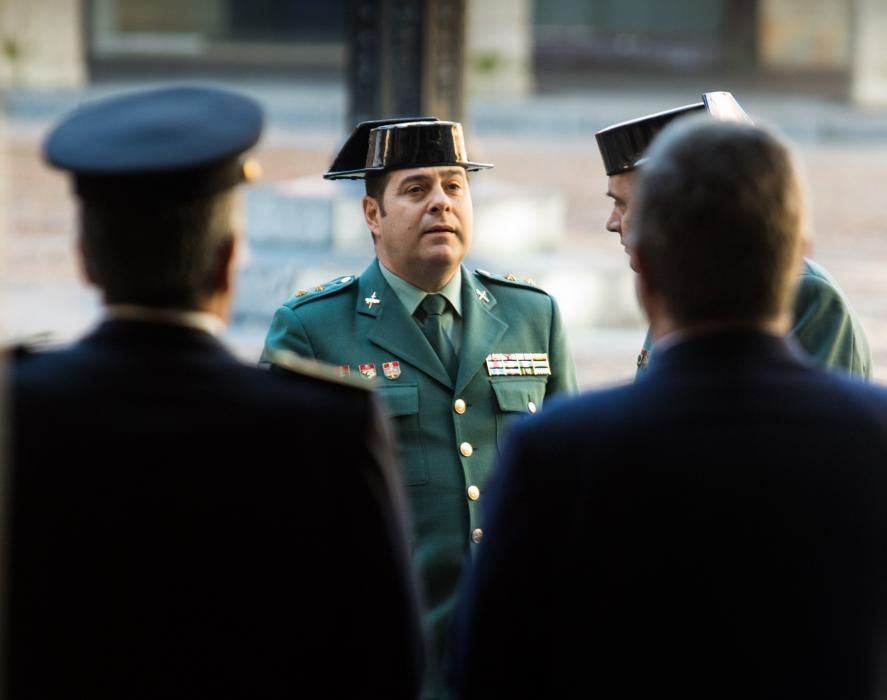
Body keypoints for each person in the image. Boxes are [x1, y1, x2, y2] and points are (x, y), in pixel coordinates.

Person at [2, 85, 424, 699]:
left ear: (86, 261)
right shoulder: (325, 426)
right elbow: (387, 663)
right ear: (228, 263)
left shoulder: (18, 409)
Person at [447, 117, 887, 699]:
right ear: (795, 255)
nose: (611, 223)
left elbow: (492, 669)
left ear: (647, 270)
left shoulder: (559, 451)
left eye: (621, 208)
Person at [262, 117, 577, 698]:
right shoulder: (312, 330)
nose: (441, 203)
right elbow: (281, 518)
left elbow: (573, 495)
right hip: (385, 656)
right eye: (416, 189)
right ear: (372, 216)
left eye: (455, 186)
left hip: (516, 654)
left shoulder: (533, 315)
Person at [596, 91, 871, 377]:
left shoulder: (804, 292)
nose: (612, 222)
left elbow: (804, 415)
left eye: (622, 203)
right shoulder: (679, 290)